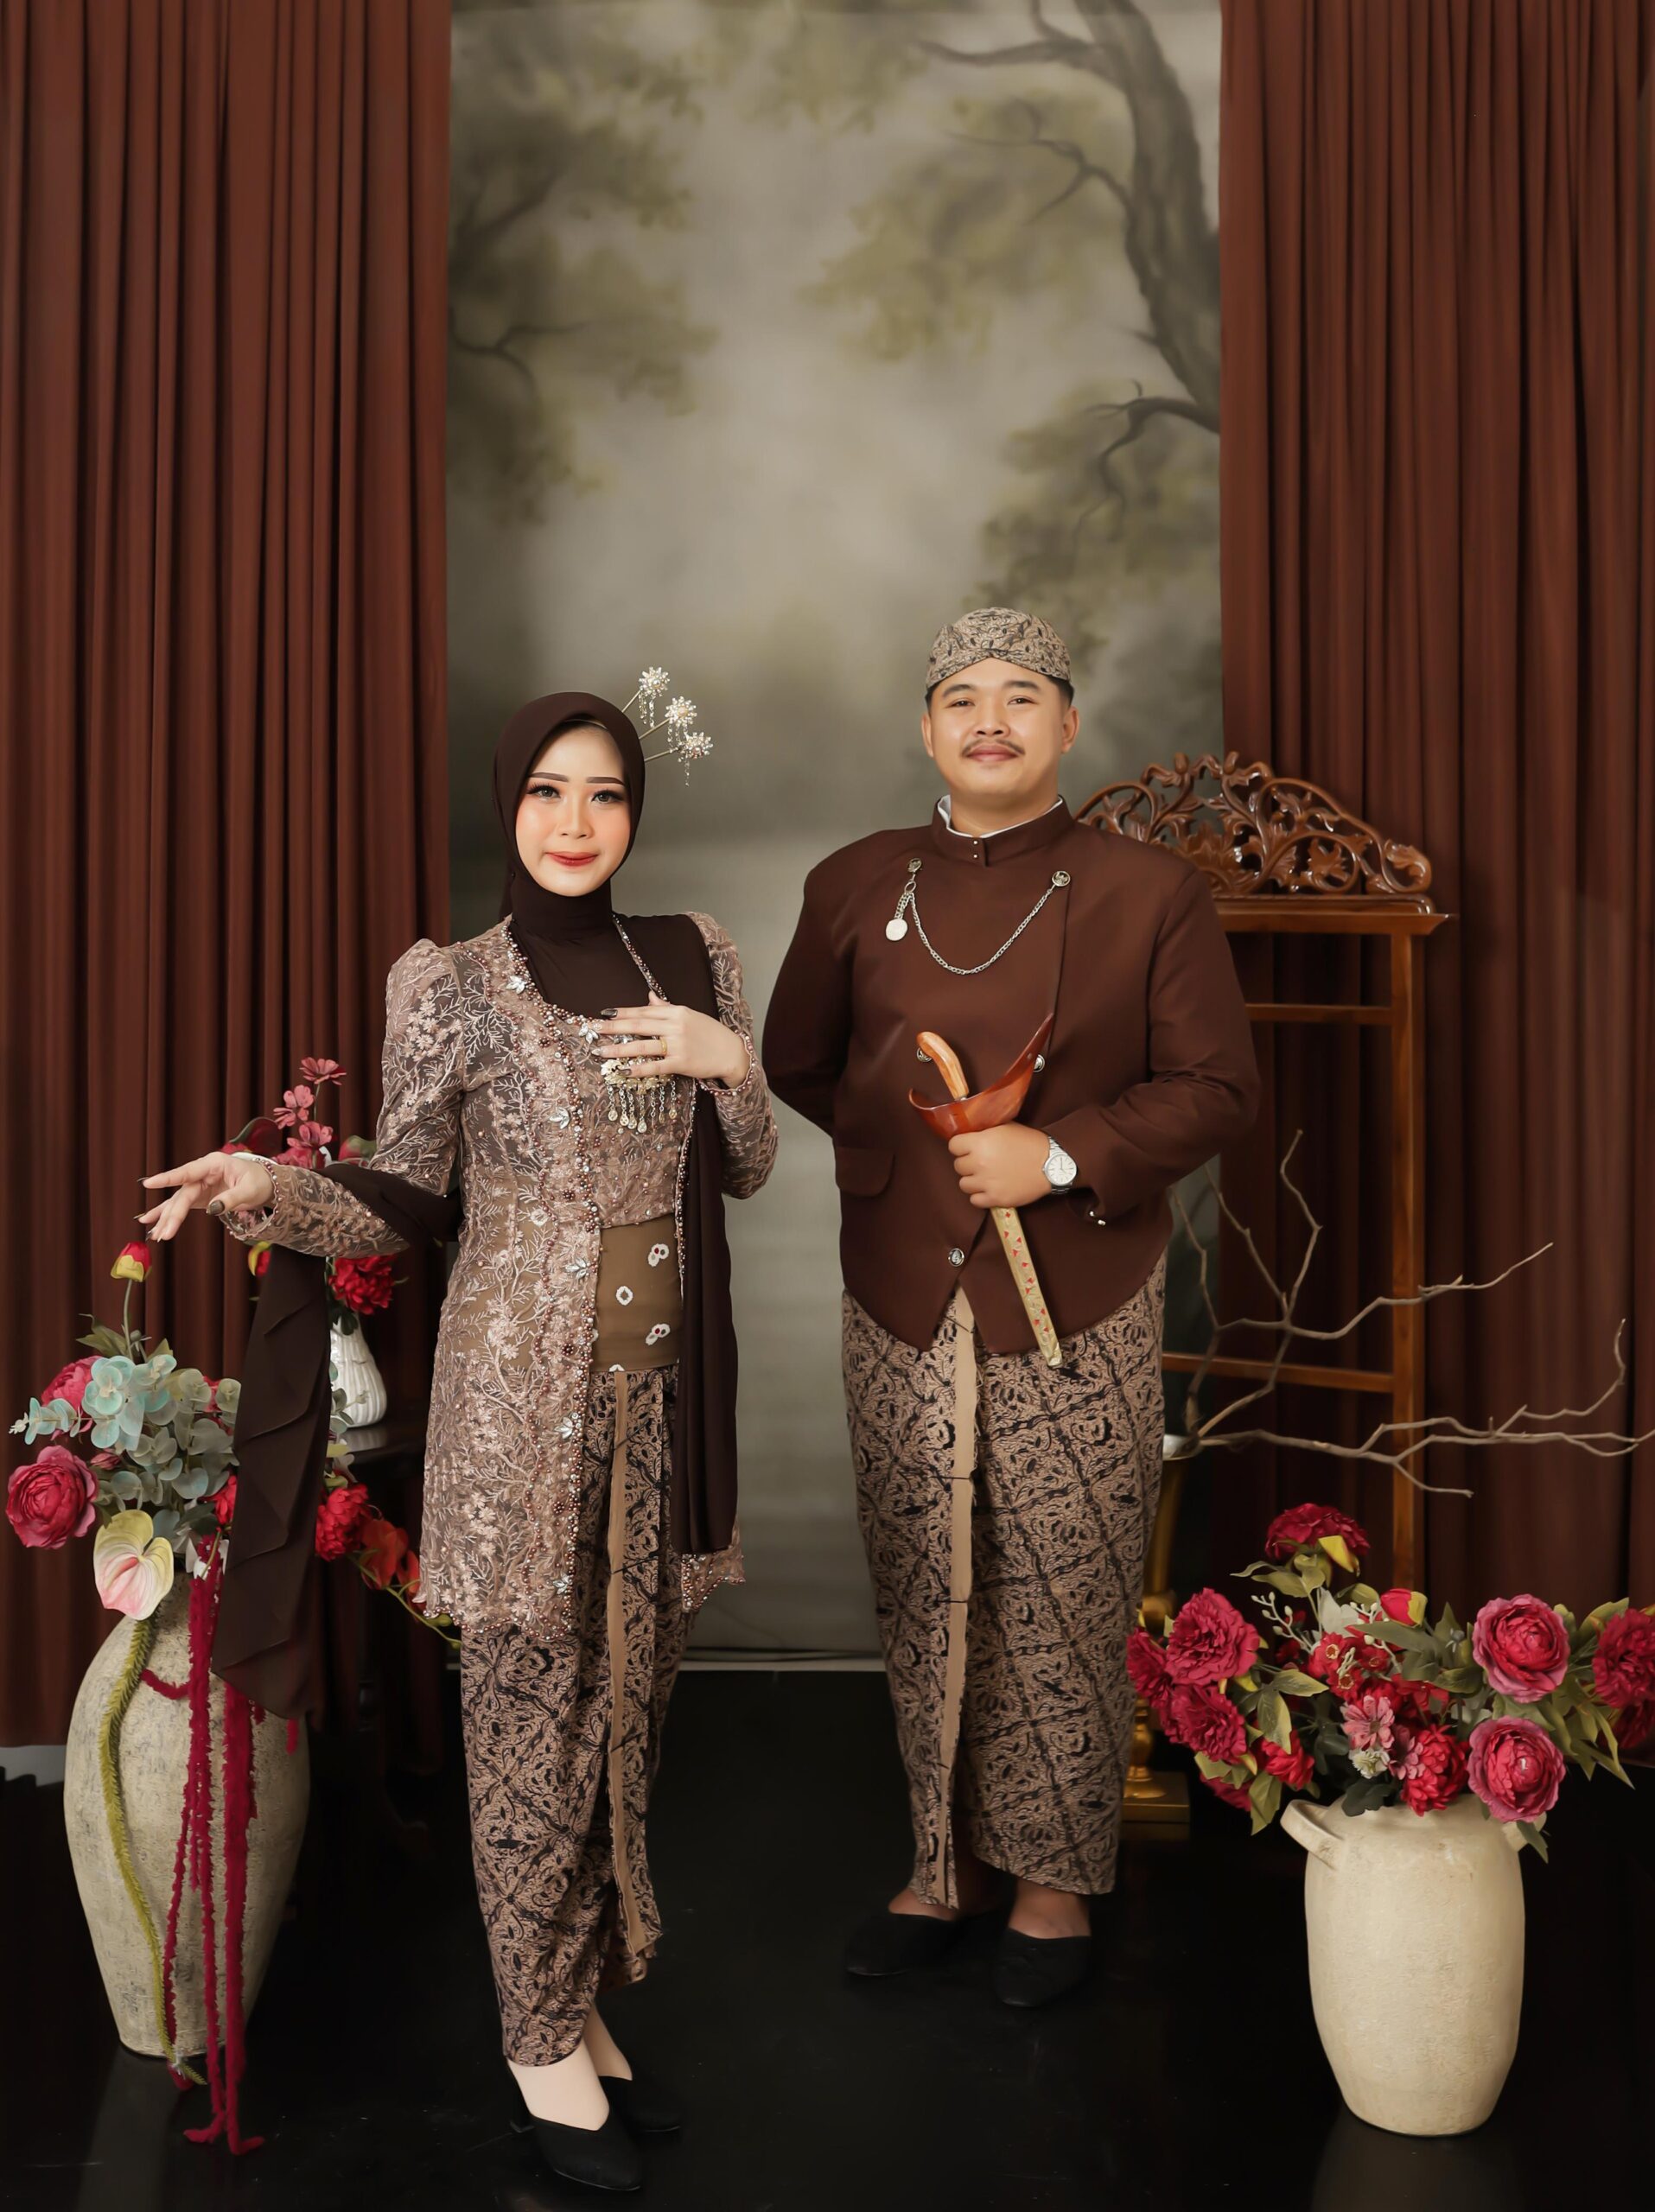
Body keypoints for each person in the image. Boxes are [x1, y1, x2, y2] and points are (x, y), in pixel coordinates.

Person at [141, 689, 777, 2193]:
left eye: (604, 793)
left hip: (662, 1408)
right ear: (508, 805)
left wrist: (726, 1060)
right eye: (547, 791)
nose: (575, 822)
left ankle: (580, 1999)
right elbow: (406, 1198)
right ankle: (535, 2037)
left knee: (626, 1709)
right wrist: (268, 1190)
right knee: (527, 1720)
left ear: (636, 810)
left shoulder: (696, 957)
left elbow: (747, 1168)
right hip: (519, 1414)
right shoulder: (455, 984)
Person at [763, 609, 1257, 2009]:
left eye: (1023, 695)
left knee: (1066, 1574)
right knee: (925, 1575)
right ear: (926, 729)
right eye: (963, 697)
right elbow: (798, 1060)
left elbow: (1220, 1089)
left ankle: (1053, 1881)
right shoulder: (853, 882)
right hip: (902, 1288)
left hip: (1080, 1287)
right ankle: (942, 1867)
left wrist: (1057, 1157)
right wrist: (905, 1161)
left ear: (1068, 724)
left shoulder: (1148, 891)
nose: (992, 719)